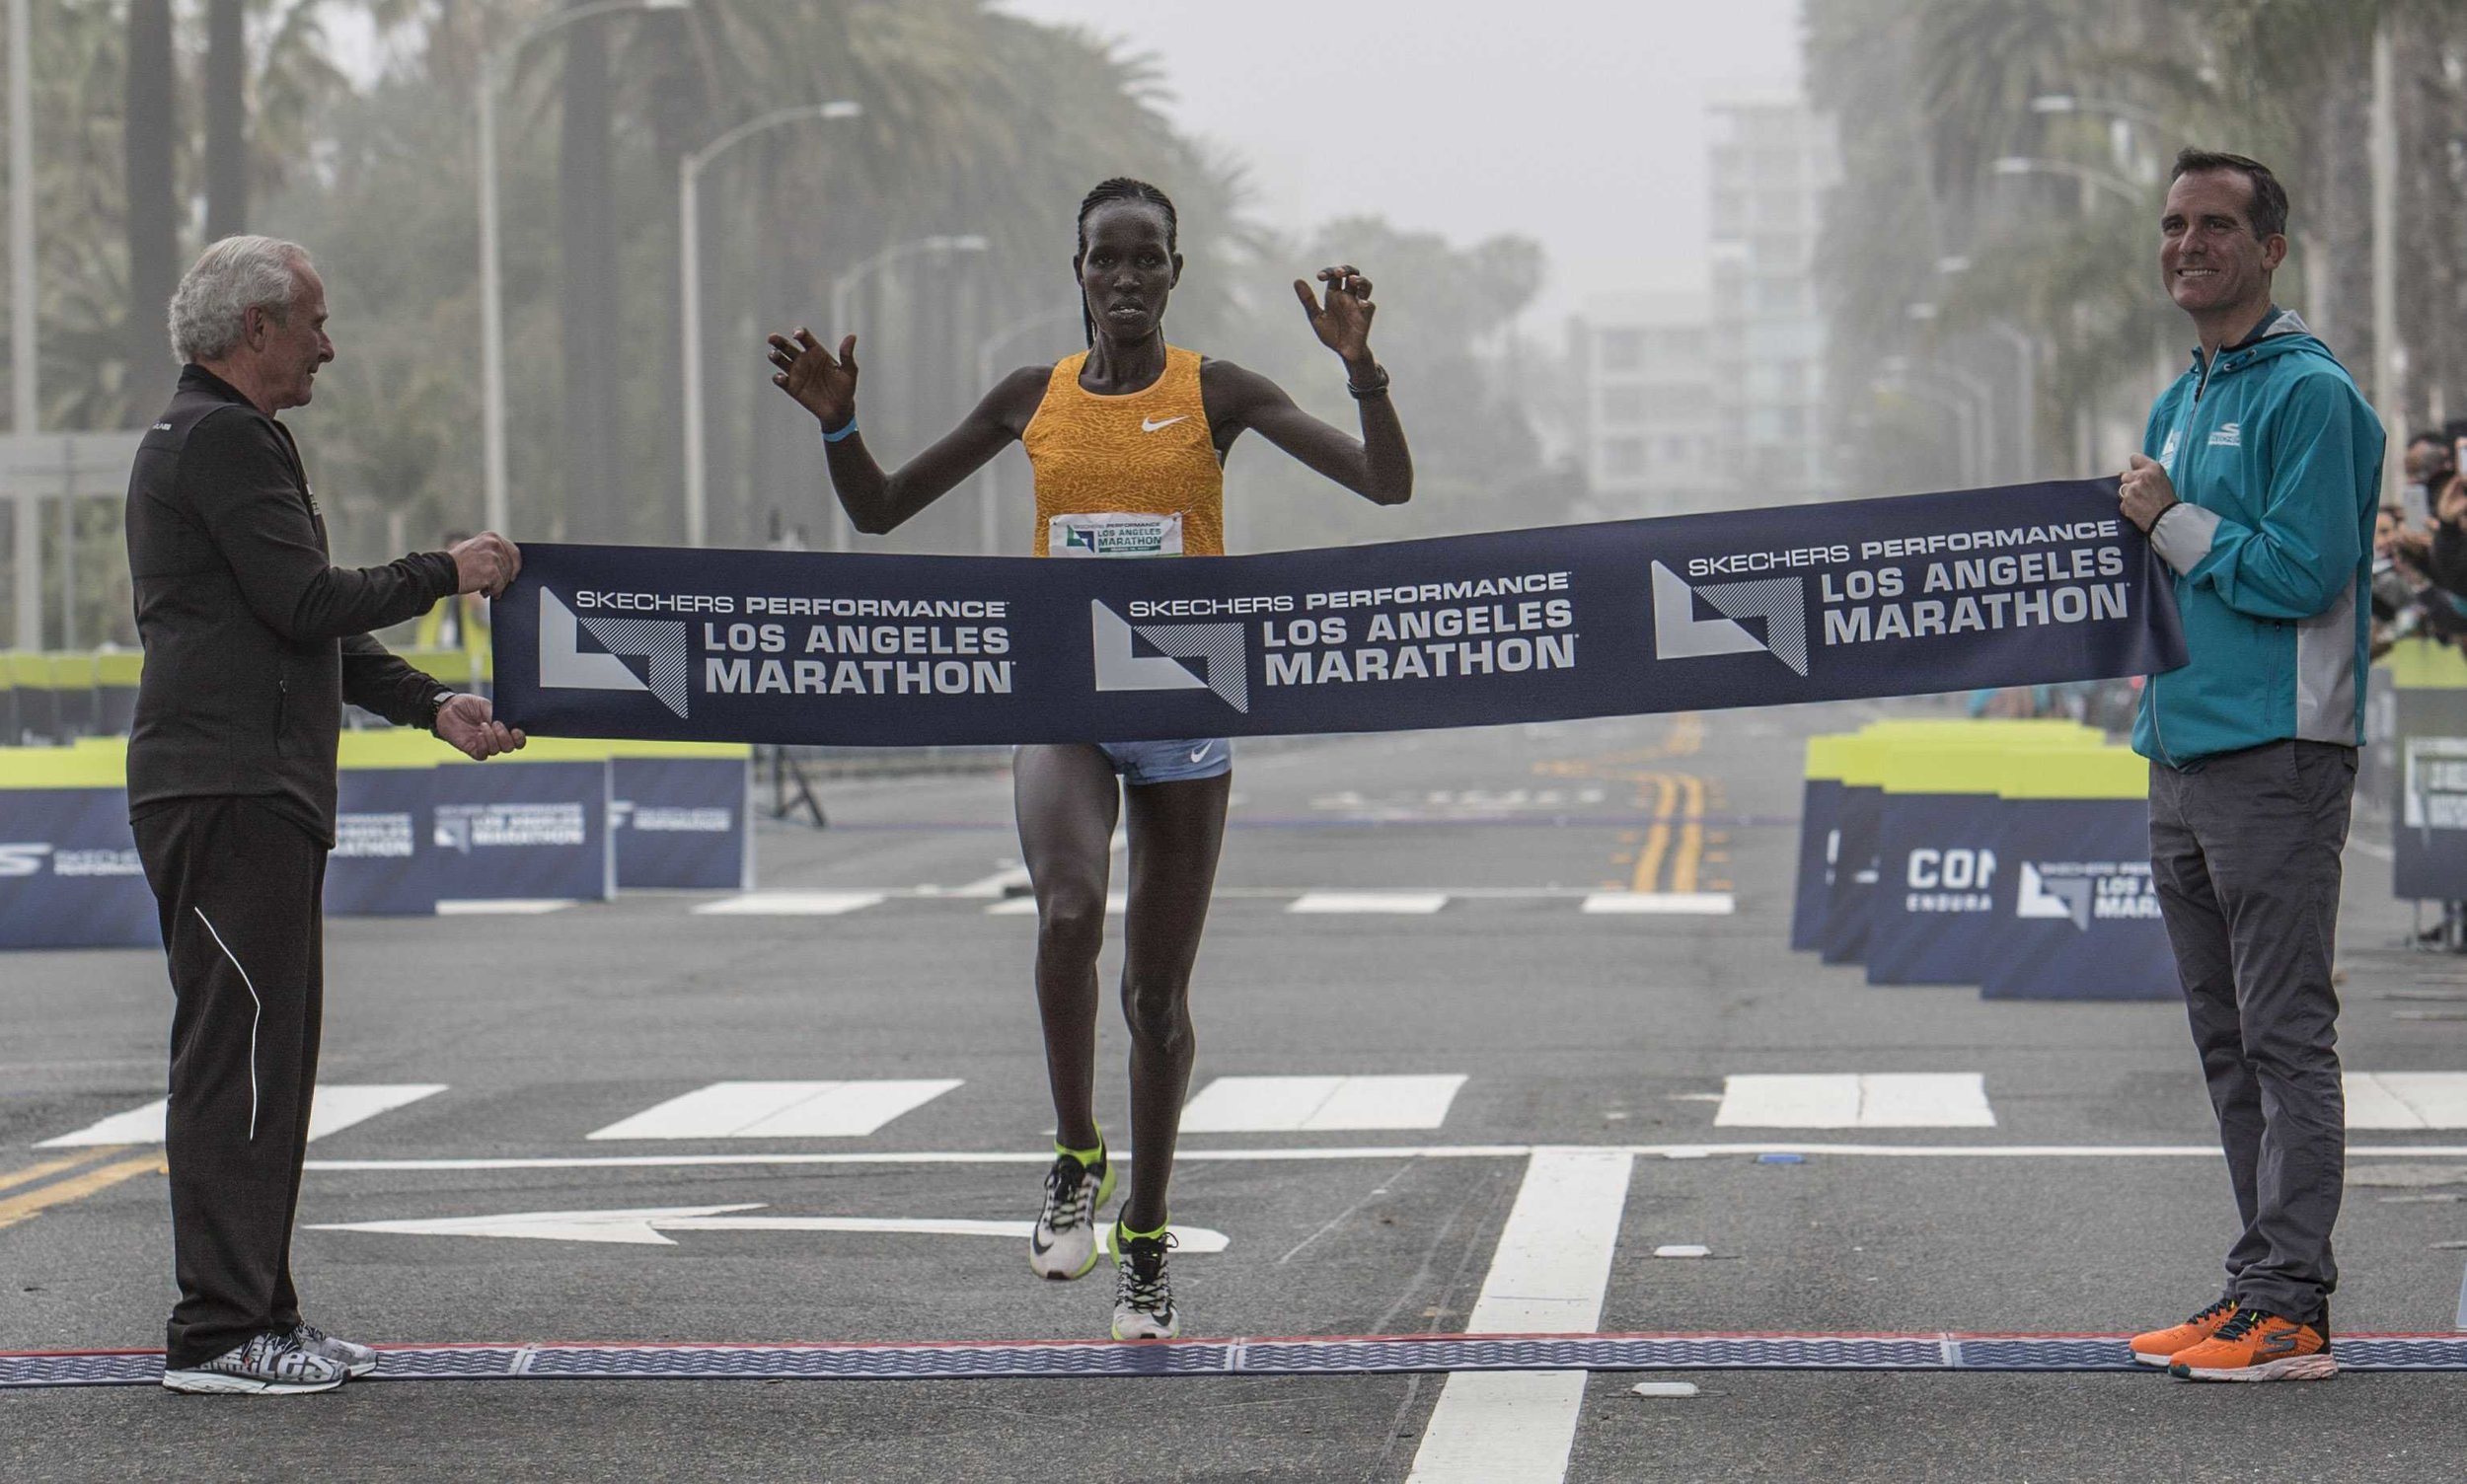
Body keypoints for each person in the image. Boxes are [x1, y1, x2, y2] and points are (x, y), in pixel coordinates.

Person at [768, 179, 1411, 1339]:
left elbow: (1385, 483)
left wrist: (1360, 369)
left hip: (1181, 713)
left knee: (1155, 1000)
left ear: (1174, 273)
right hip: (1063, 697)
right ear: (1076, 271)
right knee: (1068, 909)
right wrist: (837, 423)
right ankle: (1076, 1154)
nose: (1124, 279)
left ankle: (1148, 1240)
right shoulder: (1033, 397)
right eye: (1105, 260)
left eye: (1146, 260)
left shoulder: (1219, 391)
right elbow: (881, 511)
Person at [126, 236, 527, 1394]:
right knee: (237, 1059)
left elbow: (299, 627)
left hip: (248, 793)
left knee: (269, 1055)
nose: (328, 345)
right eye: (313, 322)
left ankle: (264, 1313)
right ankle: (215, 1333)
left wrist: (429, 704)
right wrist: (447, 569)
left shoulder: (216, 436)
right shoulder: (223, 437)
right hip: (228, 794)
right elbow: (309, 597)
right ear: (254, 329)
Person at [2114, 151, 2382, 1382]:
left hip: (2275, 756)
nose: (2187, 242)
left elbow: (2304, 572)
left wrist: (2166, 518)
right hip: (2181, 757)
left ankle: (2290, 1307)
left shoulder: (2306, 393)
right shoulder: (2181, 397)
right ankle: (2254, 1287)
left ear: (2269, 248)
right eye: (2173, 224)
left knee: (2282, 1035)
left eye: (2215, 224)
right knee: (2227, 1042)